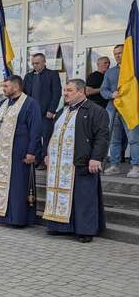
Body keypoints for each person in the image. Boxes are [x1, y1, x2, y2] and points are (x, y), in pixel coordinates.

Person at [44, 79, 110, 242]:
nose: (65, 93)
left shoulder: (96, 111)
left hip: (82, 161)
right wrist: (47, 154)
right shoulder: (61, 112)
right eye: (65, 90)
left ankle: (85, 231)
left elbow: (102, 136)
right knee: (61, 196)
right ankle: (59, 226)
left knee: (84, 197)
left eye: (69, 90)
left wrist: (96, 158)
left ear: (81, 92)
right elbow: (52, 135)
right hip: (59, 165)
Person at [0, 75, 42, 227]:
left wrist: (32, 152)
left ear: (16, 87)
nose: (3, 89)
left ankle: (18, 218)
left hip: (19, 152)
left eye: (6, 86)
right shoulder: (2, 103)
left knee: (17, 186)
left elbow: (35, 129)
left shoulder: (30, 104)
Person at [100, 44, 139, 178]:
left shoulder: (134, 69)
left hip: (130, 109)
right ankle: (114, 165)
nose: (118, 55)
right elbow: (103, 90)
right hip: (113, 109)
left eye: (120, 53)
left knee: (133, 139)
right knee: (114, 139)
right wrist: (111, 95)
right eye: (115, 53)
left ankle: (136, 167)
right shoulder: (110, 72)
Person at [23, 53, 62, 168]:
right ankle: (36, 159)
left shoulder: (52, 74)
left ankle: (45, 161)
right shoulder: (28, 77)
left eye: (37, 63)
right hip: (31, 113)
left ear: (44, 62)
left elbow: (56, 93)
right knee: (33, 137)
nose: (35, 65)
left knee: (46, 137)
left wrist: (52, 110)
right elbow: (24, 94)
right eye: (33, 63)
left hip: (46, 113)